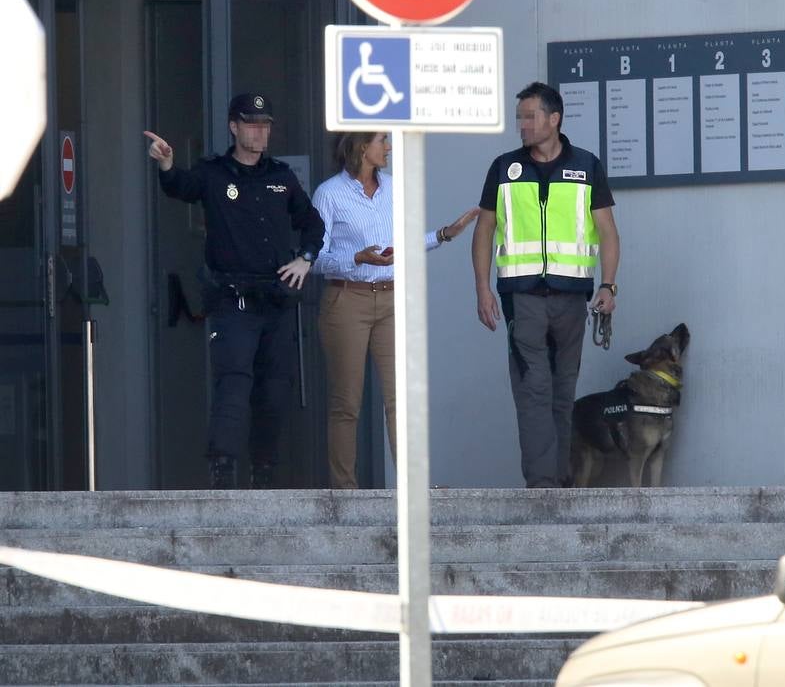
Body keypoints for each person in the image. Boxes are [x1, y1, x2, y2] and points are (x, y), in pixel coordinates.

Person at [144, 93, 325, 489]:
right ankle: (223, 470)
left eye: (266, 124)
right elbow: (181, 186)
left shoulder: (281, 177)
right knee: (234, 383)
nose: (261, 132)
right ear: (234, 127)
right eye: (253, 124)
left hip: (276, 301)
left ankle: (264, 471)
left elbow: (312, 223)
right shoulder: (214, 173)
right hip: (233, 301)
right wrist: (167, 163)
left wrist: (306, 259)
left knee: (275, 389)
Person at [472, 82, 620, 487]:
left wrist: (608, 286)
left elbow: (607, 230)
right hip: (522, 297)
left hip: (572, 298)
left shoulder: (586, 166)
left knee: (561, 390)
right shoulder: (504, 167)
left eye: (529, 116)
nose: (521, 125)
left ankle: (557, 480)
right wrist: (482, 288)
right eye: (519, 117)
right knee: (533, 388)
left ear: (554, 119)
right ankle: (543, 485)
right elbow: (484, 229)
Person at [312, 131, 479, 489]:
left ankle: (412, 490)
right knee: (347, 402)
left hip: (391, 300)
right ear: (360, 146)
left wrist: (444, 235)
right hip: (346, 300)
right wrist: (357, 257)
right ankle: (346, 492)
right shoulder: (329, 194)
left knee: (400, 400)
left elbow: (401, 244)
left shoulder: (393, 187)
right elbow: (316, 259)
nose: (388, 147)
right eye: (381, 140)